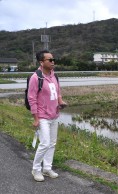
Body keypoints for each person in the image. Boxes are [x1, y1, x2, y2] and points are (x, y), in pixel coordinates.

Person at [28, 50, 67, 182]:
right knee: (44, 143)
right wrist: (36, 118)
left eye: (53, 59)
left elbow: (58, 92)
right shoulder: (36, 77)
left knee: (52, 143)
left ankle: (47, 168)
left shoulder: (54, 76)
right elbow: (31, 98)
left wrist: (60, 102)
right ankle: (36, 169)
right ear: (41, 62)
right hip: (42, 115)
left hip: (54, 114)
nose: (53, 62)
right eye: (49, 60)